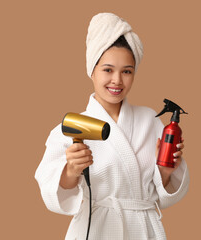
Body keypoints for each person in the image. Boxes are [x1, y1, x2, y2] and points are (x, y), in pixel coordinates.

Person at [35, 12, 190, 240]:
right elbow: (52, 192)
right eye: (108, 70)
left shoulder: (150, 121)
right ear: (92, 71)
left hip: (143, 230)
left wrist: (165, 173)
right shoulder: (69, 128)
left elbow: (164, 194)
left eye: (127, 71)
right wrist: (70, 171)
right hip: (95, 229)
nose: (117, 80)